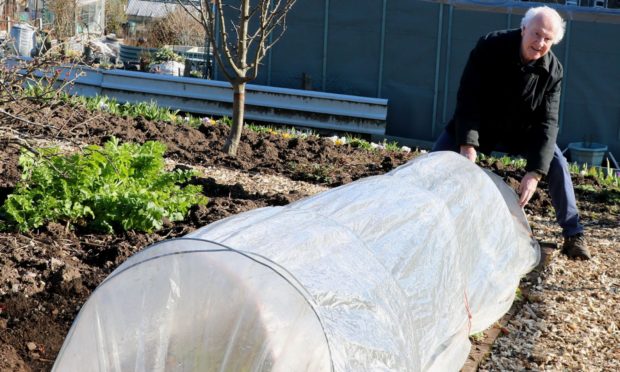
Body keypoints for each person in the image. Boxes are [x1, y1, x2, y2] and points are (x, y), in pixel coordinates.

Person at [432, 6, 591, 260]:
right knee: (436, 161)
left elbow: (547, 123)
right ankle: (423, 217)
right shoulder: (490, 46)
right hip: (480, 124)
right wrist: (467, 144)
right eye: (536, 34)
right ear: (523, 28)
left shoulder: (553, 72)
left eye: (547, 39)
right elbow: (468, 98)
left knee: (557, 162)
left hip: (522, 131)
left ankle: (573, 234)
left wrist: (535, 172)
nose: (540, 43)